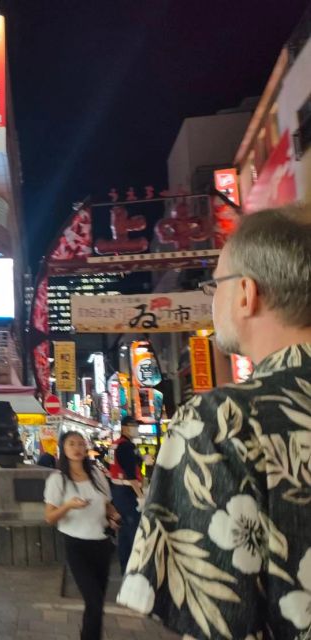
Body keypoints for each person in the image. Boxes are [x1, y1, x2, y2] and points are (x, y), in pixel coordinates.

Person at [118, 205, 311, 639]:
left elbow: (215, 620)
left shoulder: (220, 421)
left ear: (246, 292)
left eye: (215, 284)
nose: (211, 297)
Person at [44, 431, 120, 640]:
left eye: (80, 444)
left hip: (102, 544)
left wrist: (114, 516)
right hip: (76, 546)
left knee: (96, 604)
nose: (77, 448)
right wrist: (68, 505)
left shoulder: (96, 474)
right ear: (64, 448)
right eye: (71, 444)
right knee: (94, 600)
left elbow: (107, 505)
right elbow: (49, 517)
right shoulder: (57, 479)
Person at [108, 416, 143, 573]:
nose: (136, 428)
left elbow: (110, 467)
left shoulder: (114, 445)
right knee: (133, 533)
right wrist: (141, 497)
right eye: (133, 425)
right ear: (124, 428)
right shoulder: (126, 447)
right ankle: (133, 571)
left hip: (118, 493)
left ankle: (126, 570)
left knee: (124, 534)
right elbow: (131, 475)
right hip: (128, 494)